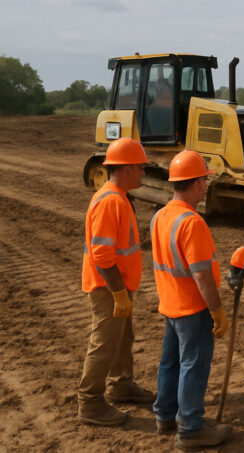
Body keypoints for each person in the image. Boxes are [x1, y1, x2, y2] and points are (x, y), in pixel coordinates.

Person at [150, 150, 232, 450]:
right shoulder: (192, 222)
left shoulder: (160, 216)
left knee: (170, 363)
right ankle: (191, 431)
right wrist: (217, 310)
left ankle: (164, 417)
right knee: (193, 367)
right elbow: (202, 276)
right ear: (197, 183)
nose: (207, 186)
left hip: (169, 306)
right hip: (193, 310)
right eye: (205, 181)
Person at [78, 137, 155, 426]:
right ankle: (90, 402)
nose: (143, 174)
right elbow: (101, 254)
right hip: (108, 287)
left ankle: (121, 385)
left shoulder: (118, 196)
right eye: (140, 168)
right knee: (105, 343)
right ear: (125, 169)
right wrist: (119, 292)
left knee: (123, 338)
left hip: (118, 286)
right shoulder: (111, 201)